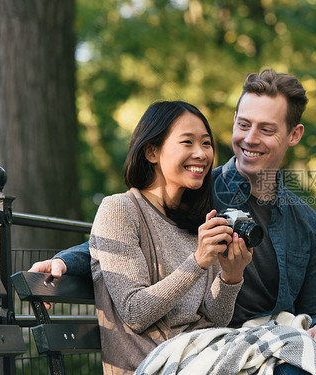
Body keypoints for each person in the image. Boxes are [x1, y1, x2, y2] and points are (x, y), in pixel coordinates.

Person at [30, 69, 316, 373]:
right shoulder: (197, 194)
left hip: (256, 348)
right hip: (221, 350)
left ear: (294, 135)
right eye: (243, 124)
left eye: (266, 130)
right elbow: (123, 240)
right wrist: (64, 261)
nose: (249, 138)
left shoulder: (306, 221)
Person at [87, 100, 252, 373]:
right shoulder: (120, 209)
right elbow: (135, 312)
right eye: (187, 142)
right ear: (152, 151)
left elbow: (217, 320)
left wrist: (231, 277)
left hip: (203, 356)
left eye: (206, 143)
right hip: (153, 364)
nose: (201, 154)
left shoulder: (197, 221)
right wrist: (197, 262)